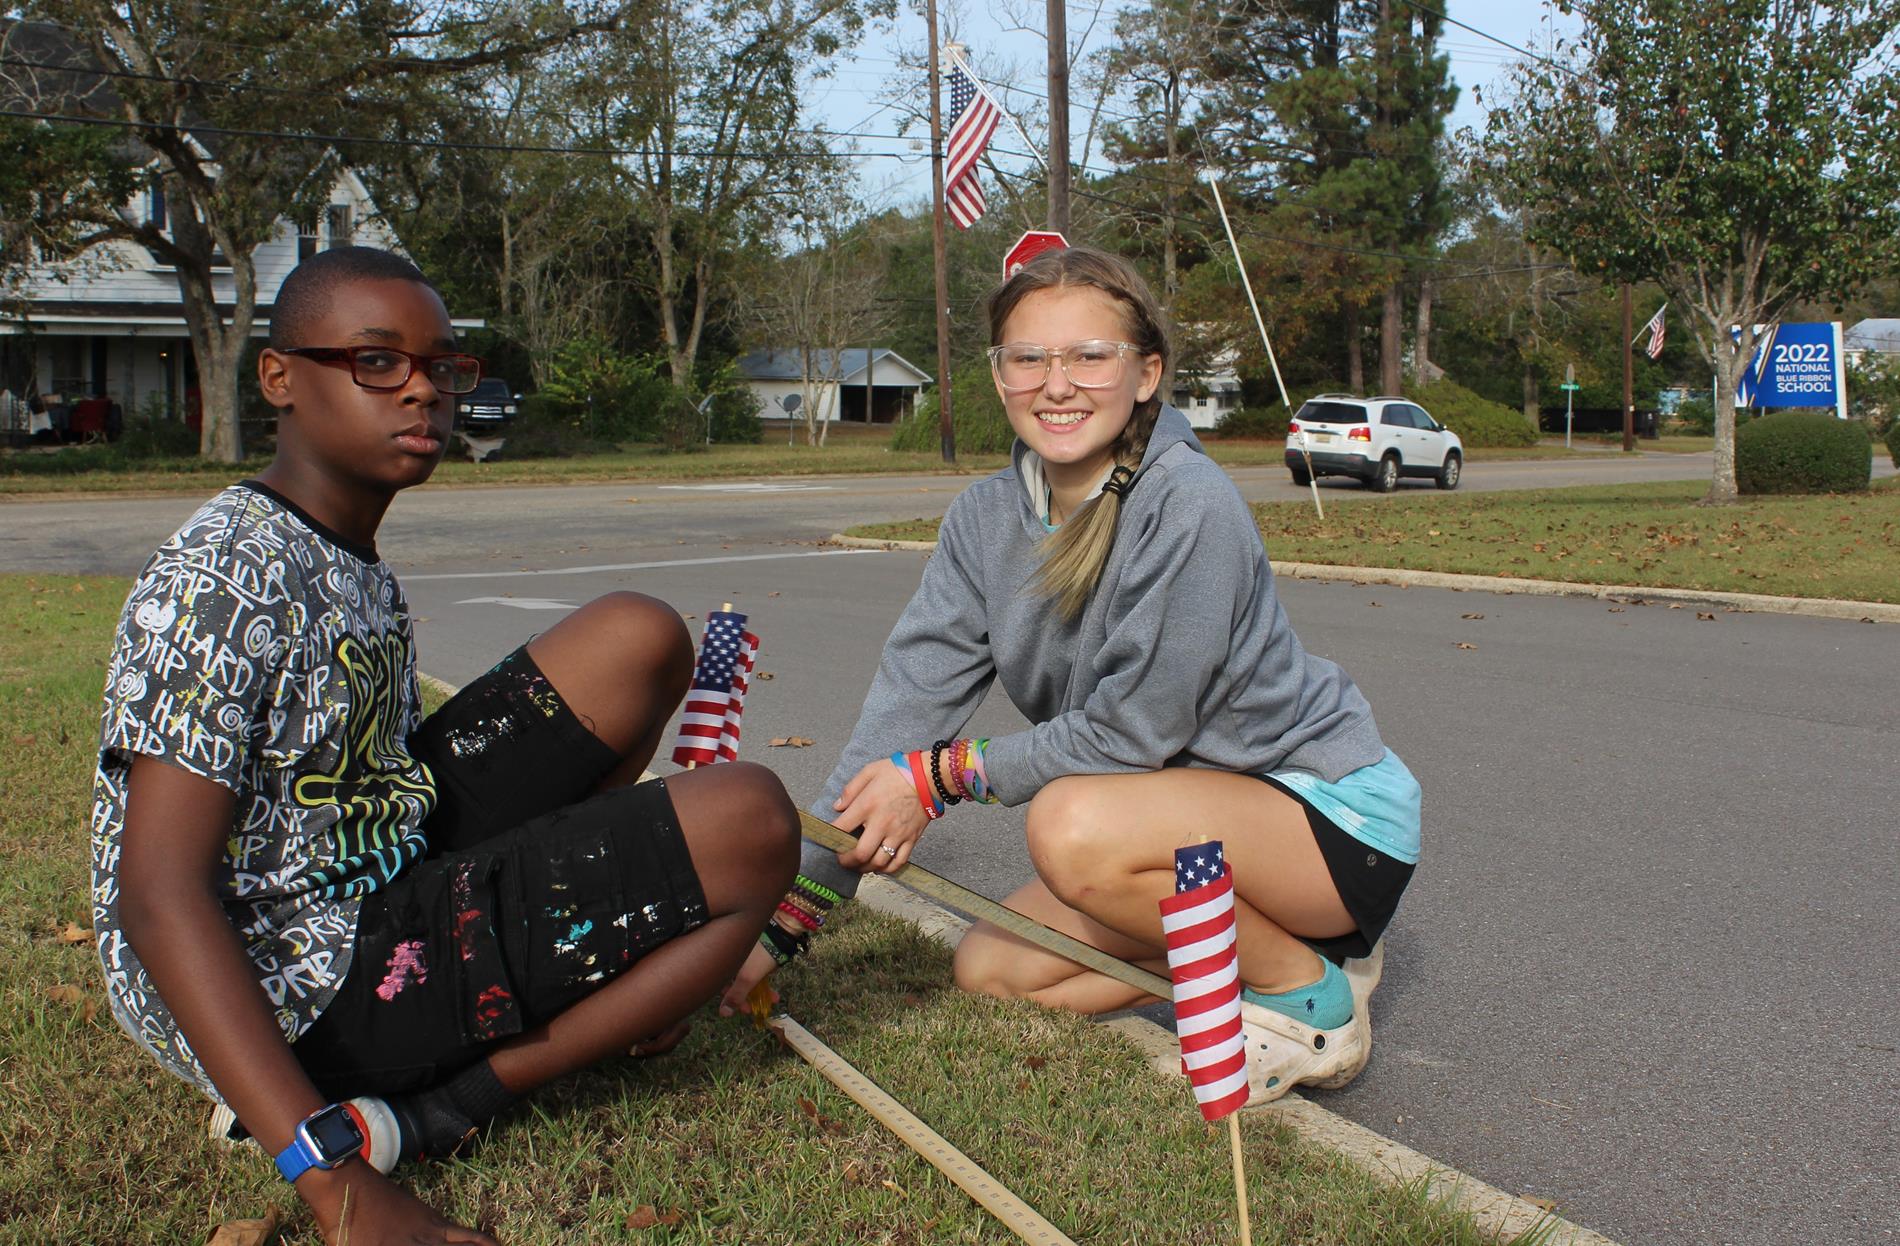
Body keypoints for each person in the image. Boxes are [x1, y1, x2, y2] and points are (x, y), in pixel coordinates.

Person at [90, 246, 799, 1246]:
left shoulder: (337, 545)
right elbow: (157, 894)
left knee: (638, 637)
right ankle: (435, 1110)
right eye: (377, 360)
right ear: (280, 378)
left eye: (439, 365)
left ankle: (568, 939)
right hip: (293, 980)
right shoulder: (220, 579)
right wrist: (337, 1186)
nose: (421, 388)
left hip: (362, 853)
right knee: (753, 822)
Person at [720, 245, 1420, 1101]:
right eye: (1029, 358)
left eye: (1090, 355)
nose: (1058, 383)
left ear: (1146, 372)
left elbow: (1135, 732)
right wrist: (777, 934)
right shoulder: (982, 521)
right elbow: (897, 725)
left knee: (1070, 826)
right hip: (1174, 821)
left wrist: (942, 778)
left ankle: (1310, 1003)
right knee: (994, 969)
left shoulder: (1187, 501)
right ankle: (1302, 958)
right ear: (999, 376)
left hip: (1325, 814)